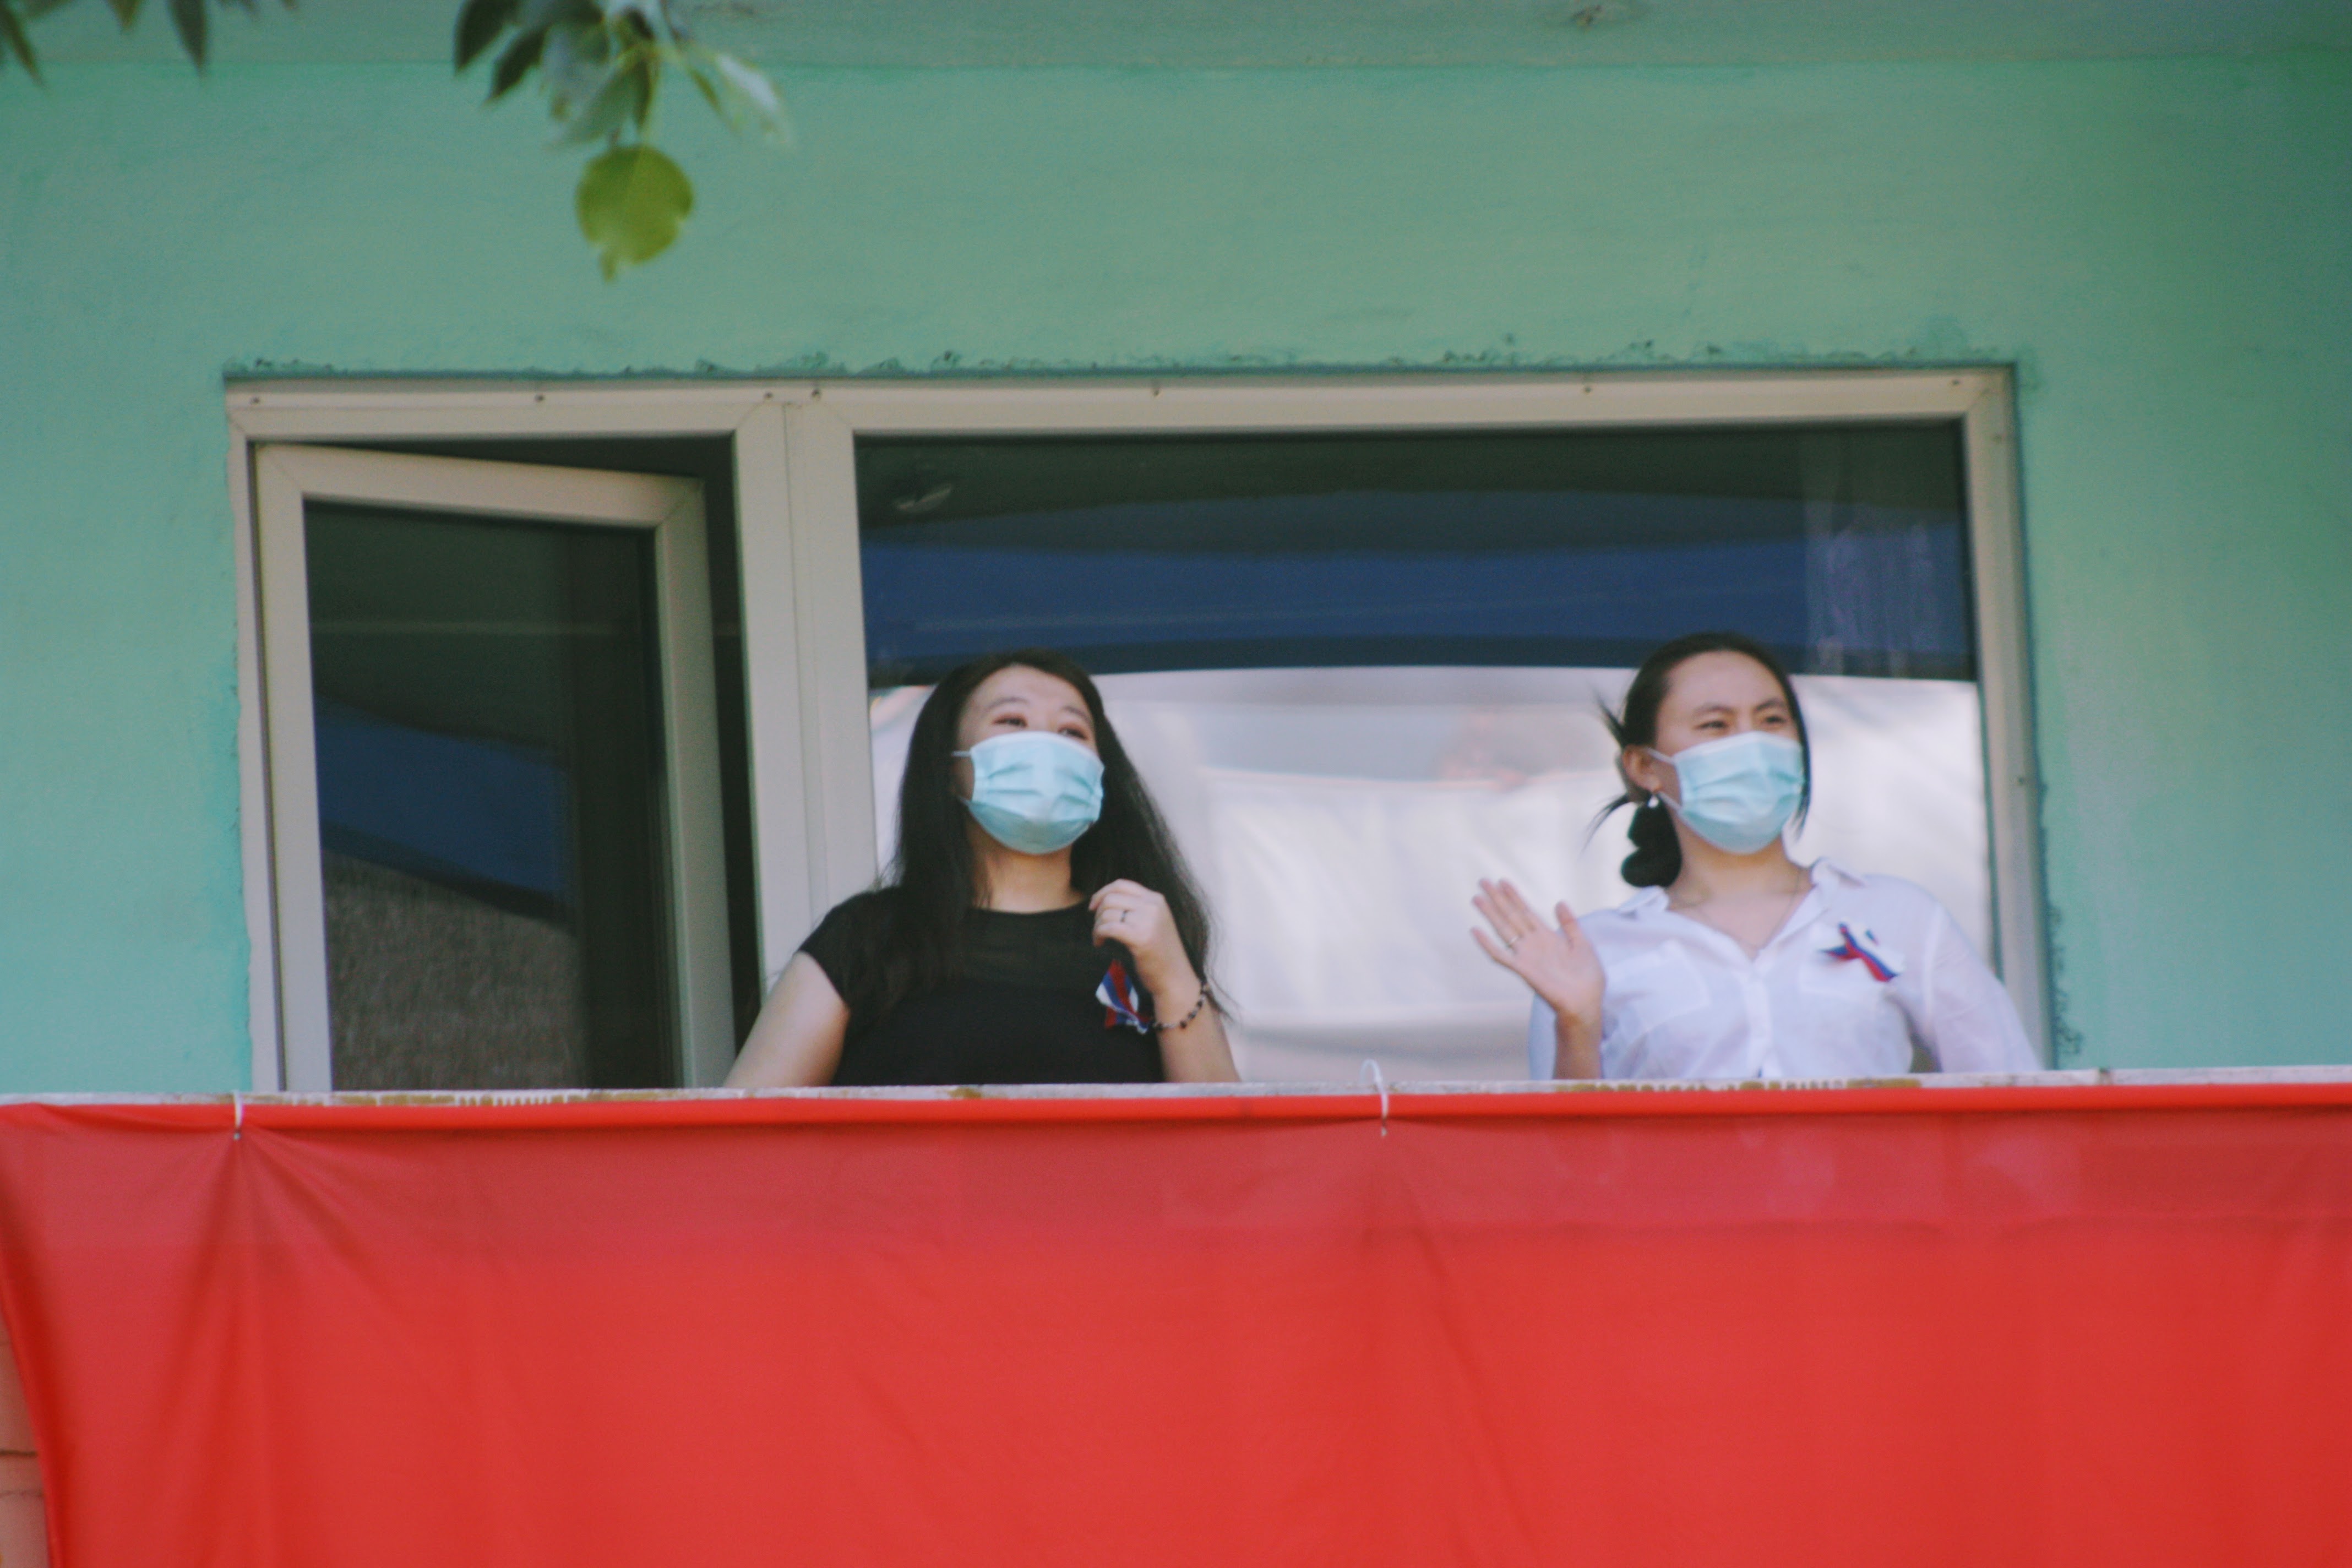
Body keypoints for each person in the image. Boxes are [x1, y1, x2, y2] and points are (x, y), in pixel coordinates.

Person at [1471, 631, 2038, 1081]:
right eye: (1715, 725)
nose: (1752, 744)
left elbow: (2014, 1099)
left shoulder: (1900, 916)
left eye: (1771, 720)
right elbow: (1566, 1164)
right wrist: (1577, 1023)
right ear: (1644, 767)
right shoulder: (1589, 953)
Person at [727, 650, 1238, 1087]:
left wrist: (1174, 979)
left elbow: (1226, 1145)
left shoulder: (1143, 941)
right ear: (950, 770)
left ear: (1101, 777)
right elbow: (741, 1134)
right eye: (1012, 722)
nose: (1047, 747)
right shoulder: (869, 938)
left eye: (1072, 731)